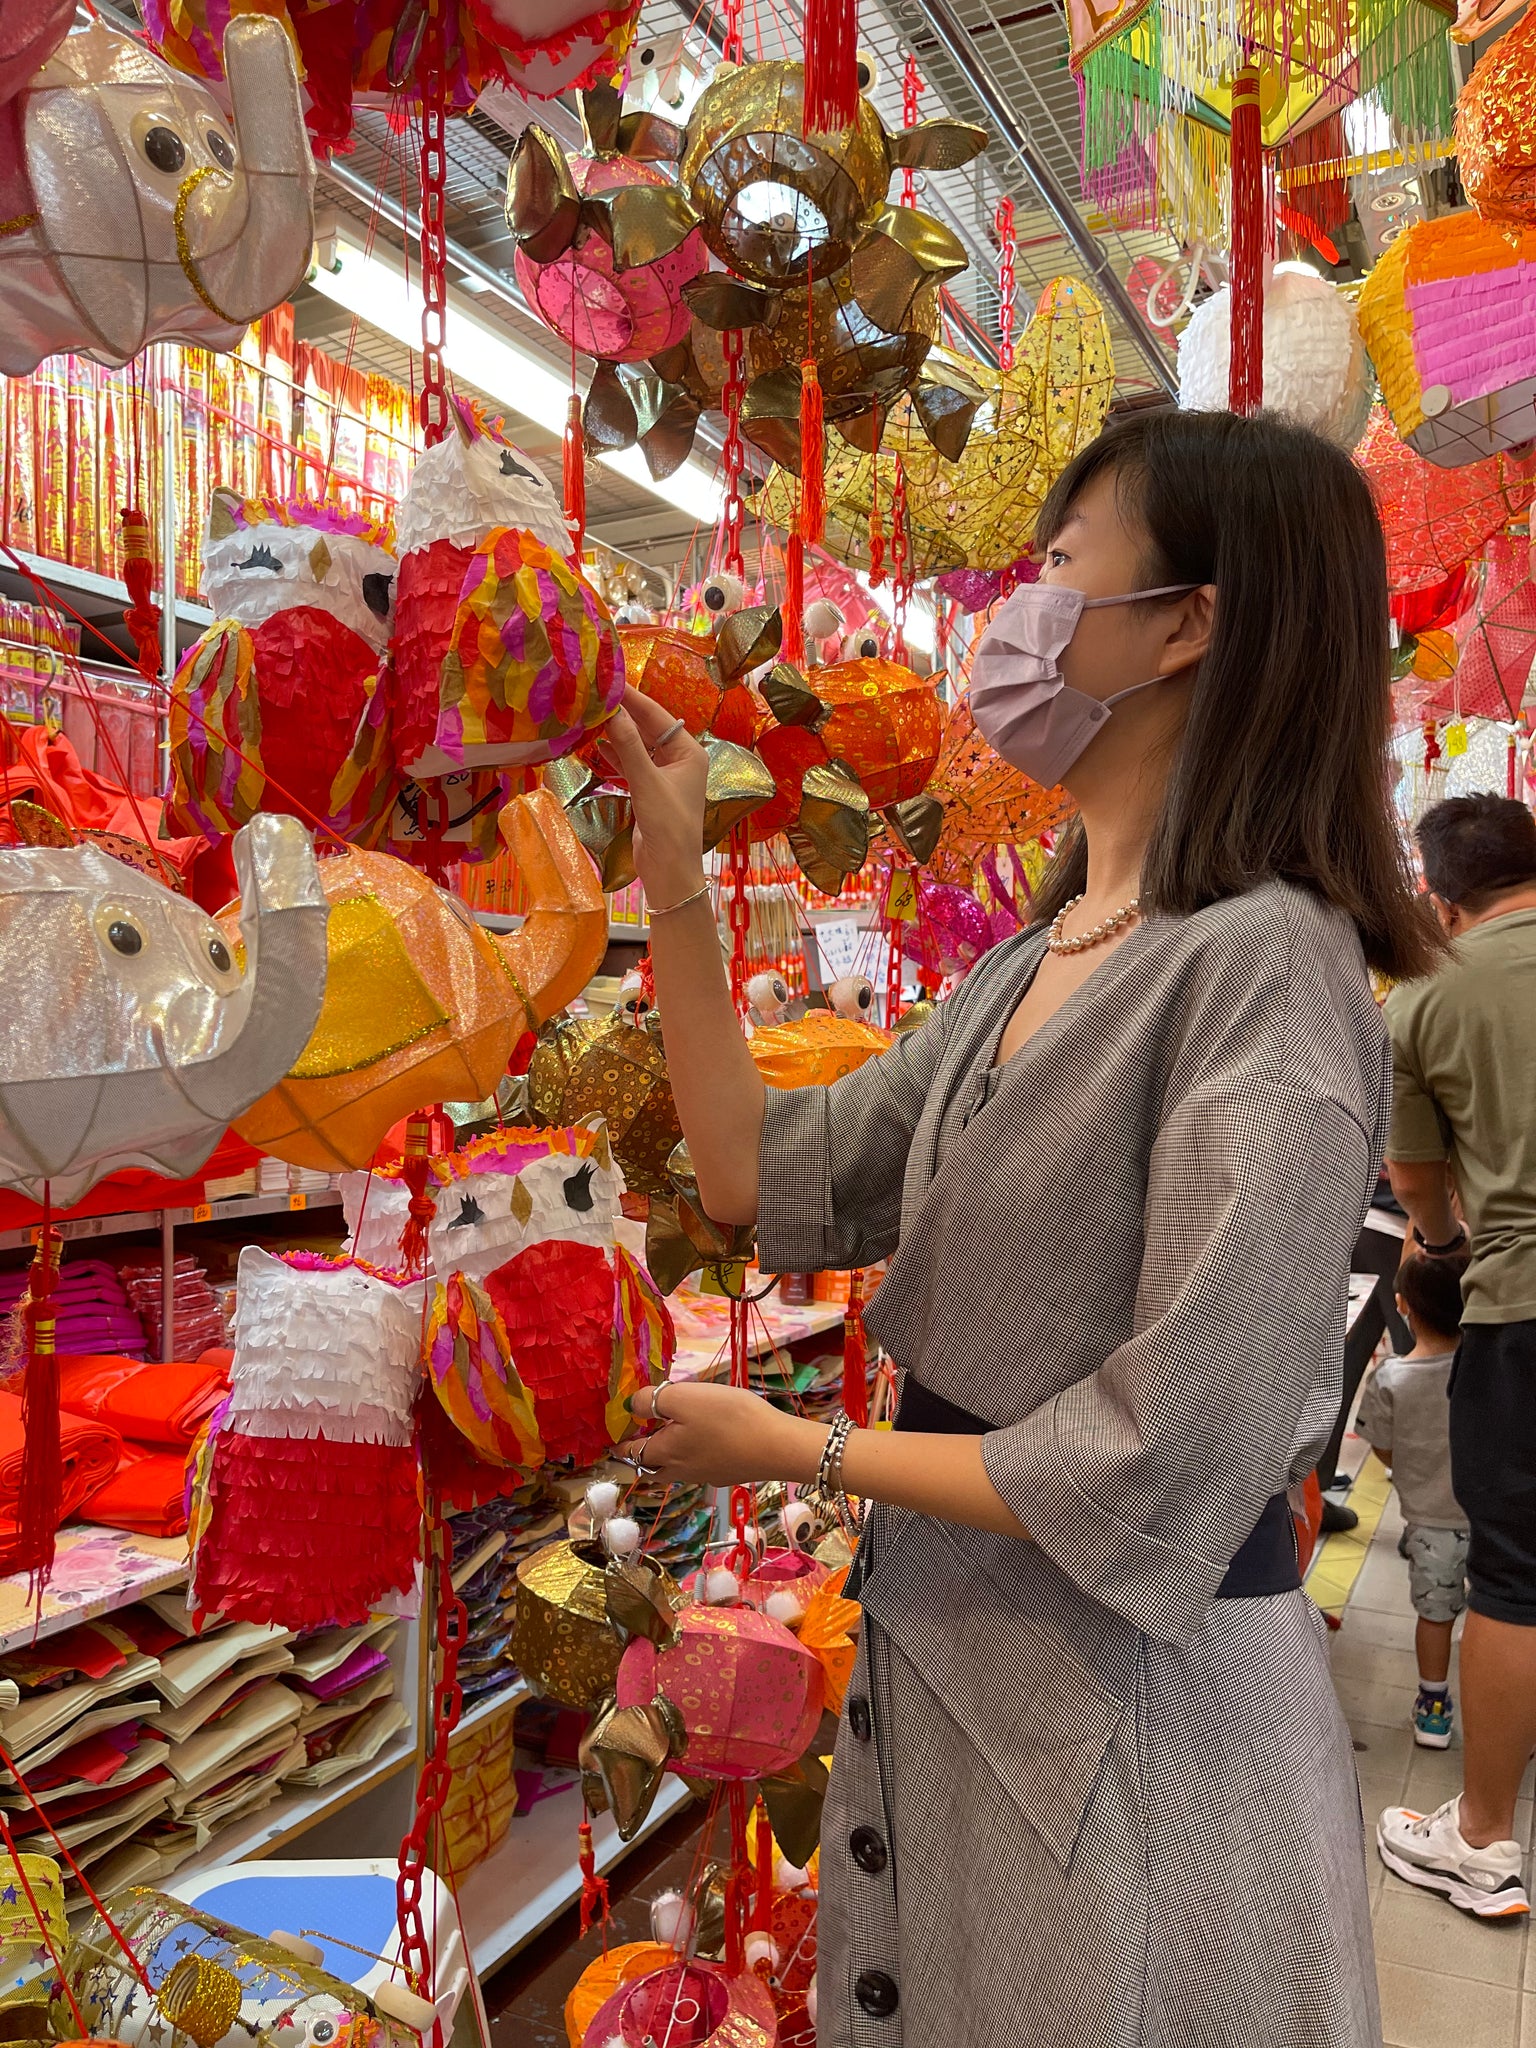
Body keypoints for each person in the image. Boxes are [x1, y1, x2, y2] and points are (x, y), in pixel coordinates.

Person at [605, 408, 1440, 2048]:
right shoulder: (1034, 958)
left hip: (1133, 1713)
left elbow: (1161, 1453)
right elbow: (757, 1176)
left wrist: (806, 1451)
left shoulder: (1261, 968)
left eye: (1061, 566)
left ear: (1188, 619)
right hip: (968, 1657)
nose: (1015, 610)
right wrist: (680, 878)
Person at [1377, 793, 1536, 1920]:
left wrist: (1441, 1245)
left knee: (1515, 1581)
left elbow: (1418, 1182)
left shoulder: (1426, 995)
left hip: (1521, 1302)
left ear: (1439, 894)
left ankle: (1481, 1836)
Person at [1355, 1246, 1471, 1747]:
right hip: (1496, 1517)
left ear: (1401, 1305)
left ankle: (1434, 1705)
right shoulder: (1486, 1371)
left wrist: (1410, 1469)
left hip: (1430, 1521)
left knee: (1435, 1614)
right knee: (1504, 1612)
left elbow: (1381, 1445)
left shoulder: (1391, 1379)